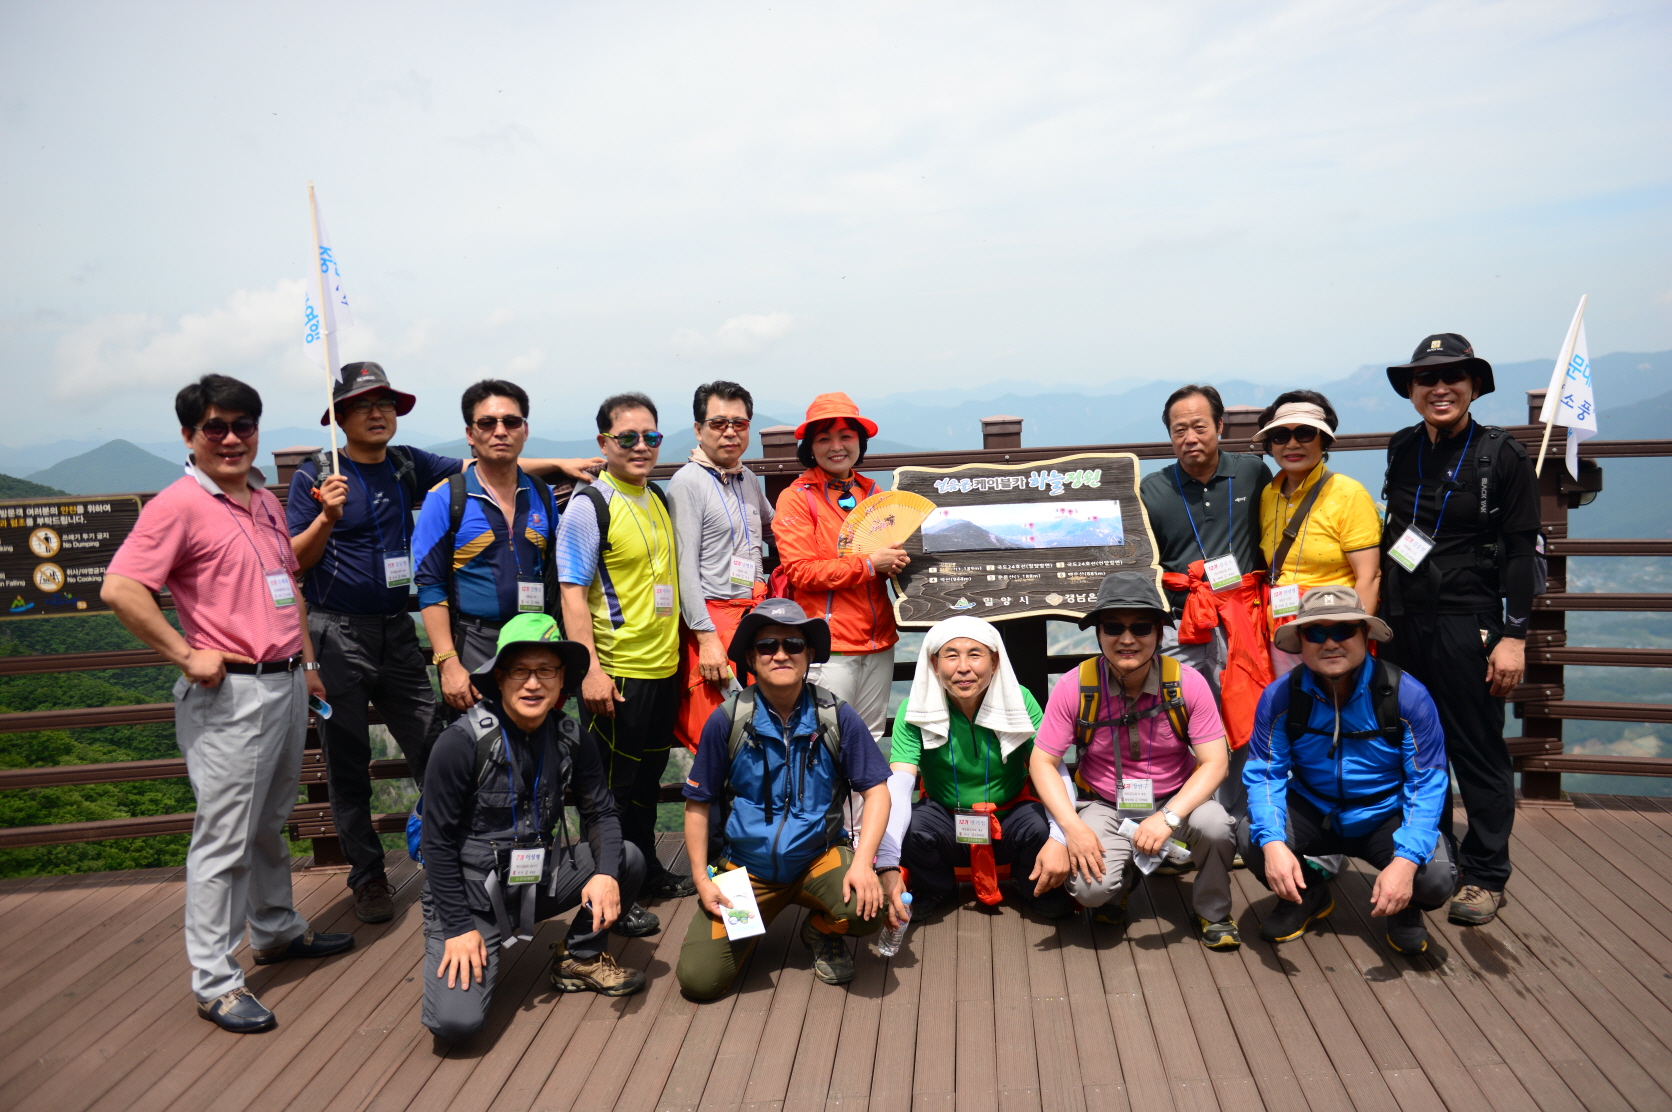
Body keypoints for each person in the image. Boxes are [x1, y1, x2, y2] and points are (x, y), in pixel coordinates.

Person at [287, 362, 599, 923]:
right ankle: (368, 875)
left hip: (397, 630)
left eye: (384, 404)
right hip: (335, 631)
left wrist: (558, 465)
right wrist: (327, 516)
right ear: (339, 418)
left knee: (439, 750)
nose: (377, 414)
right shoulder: (316, 474)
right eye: (362, 405)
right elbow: (291, 562)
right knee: (348, 760)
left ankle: (459, 859)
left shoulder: (407, 464)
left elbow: (487, 462)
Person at [101, 374, 353, 1034]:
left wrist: (325, 523)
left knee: (268, 820)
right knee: (224, 838)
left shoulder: (262, 499)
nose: (232, 438)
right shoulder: (178, 505)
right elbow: (120, 588)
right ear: (190, 435)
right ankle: (214, 981)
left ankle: (276, 930)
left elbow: (287, 571)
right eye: (216, 427)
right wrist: (185, 654)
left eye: (244, 425)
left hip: (285, 678)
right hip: (231, 692)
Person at [419, 613, 648, 1043]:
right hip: (472, 898)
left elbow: (601, 813)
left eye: (546, 671)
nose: (533, 683)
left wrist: (604, 874)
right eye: (520, 671)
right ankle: (470, 938)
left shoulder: (569, 737)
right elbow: (436, 844)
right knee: (455, 1025)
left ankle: (579, 956)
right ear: (499, 678)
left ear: (562, 680)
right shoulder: (461, 743)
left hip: (535, 881)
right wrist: (458, 928)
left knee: (627, 859)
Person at [1381, 333, 1539, 926]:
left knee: (1475, 747)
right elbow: (1395, 532)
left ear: (1474, 386)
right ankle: (1436, 852)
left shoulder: (1502, 454)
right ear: (1412, 390)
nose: (1440, 387)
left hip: (1468, 620)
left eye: (1454, 376)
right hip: (1404, 620)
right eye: (1427, 378)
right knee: (1415, 747)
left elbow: (1522, 552)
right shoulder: (1402, 447)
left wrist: (1514, 636)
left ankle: (1487, 873)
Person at [675, 598, 893, 999]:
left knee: (867, 909)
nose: (780, 654)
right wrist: (702, 880)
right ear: (750, 659)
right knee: (700, 980)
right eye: (767, 646)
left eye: (793, 644)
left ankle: (820, 929)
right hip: (747, 870)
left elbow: (877, 790)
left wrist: (864, 863)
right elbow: (698, 803)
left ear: (809, 654)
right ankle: (752, 923)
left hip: (819, 857)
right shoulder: (728, 719)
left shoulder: (835, 715)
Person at [1239, 586, 1456, 954]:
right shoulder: (1280, 697)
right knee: (1252, 837)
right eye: (1315, 632)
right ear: (1301, 640)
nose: (1330, 643)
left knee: (1433, 878)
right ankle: (1308, 894)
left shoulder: (1407, 695)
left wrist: (1405, 863)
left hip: (1385, 814)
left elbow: (1427, 782)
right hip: (1314, 808)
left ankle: (1405, 906)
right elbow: (1265, 775)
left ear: (1365, 633)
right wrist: (1273, 844)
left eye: (1343, 630)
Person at [1029, 571, 1239, 949]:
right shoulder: (1075, 687)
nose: (1127, 640)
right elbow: (1041, 762)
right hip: (1105, 803)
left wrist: (1168, 816)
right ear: (1098, 634)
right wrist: (1070, 829)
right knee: (1090, 889)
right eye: (1113, 627)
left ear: (1159, 633)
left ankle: (1214, 910)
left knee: (1216, 825)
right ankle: (1122, 884)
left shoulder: (1186, 683)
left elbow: (1215, 762)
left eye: (1141, 627)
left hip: (1177, 800)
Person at [557, 392, 691, 932]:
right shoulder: (589, 506)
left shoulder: (655, 495)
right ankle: (610, 889)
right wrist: (588, 670)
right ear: (603, 443)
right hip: (616, 671)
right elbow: (572, 594)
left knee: (647, 780)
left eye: (650, 437)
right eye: (627, 437)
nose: (641, 446)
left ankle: (645, 869)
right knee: (609, 791)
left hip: (663, 667)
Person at [879, 615, 1071, 921]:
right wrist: (887, 858)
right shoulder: (914, 709)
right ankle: (935, 888)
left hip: (1009, 818)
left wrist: (1062, 836)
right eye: (951, 656)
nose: (963, 667)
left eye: (975, 654)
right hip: (947, 819)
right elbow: (900, 782)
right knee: (914, 828)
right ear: (934, 664)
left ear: (995, 662)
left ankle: (1032, 886)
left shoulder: (1019, 700)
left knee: (1038, 826)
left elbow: (1052, 768)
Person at [1140, 384, 1274, 820]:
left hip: (1242, 620)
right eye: (1179, 430)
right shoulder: (1153, 490)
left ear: (1220, 425)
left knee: (1244, 715)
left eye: (1199, 426)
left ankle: (1239, 818)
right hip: (1182, 623)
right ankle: (1189, 819)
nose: (1190, 438)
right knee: (1175, 720)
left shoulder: (1252, 473)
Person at [413, 379, 569, 703]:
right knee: (481, 730)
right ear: (470, 434)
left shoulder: (541, 494)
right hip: (475, 640)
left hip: (536, 637)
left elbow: (556, 572)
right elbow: (430, 586)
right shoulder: (447, 498)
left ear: (525, 430)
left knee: (537, 727)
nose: (500, 431)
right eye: (487, 423)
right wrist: (448, 663)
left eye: (511, 422)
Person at [772, 392, 907, 750]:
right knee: (825, 744)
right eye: (824, 438)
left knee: (869, 741)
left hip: (879, 641)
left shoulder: (873, 492)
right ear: (809, 447)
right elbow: (801, 572)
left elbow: (889, 556)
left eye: (846, 436)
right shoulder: (796, 498)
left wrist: (895, 562)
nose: (836, 446)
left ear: (859, 442)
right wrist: (869, 564)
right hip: (830, 646)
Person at [668, 381, 773, 753]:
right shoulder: (687, 484)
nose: (730, 432)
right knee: (719, 737)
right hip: (712, 622)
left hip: (751, 619)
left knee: (757, 734)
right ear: (699, 430)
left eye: (739, 423)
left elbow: (773, 528)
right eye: (718, 423)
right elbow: (683, 569)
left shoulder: (747, 478)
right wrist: (706, 639)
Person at [1253, 391, 1381, 676]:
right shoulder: (1268, 495)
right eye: (1280, 436)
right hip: (1283, 628)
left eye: (1305, 433)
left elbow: (1369, 576)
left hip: (1332, 632)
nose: (1292, 444)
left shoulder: (1348, 493)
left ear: (1324, 440)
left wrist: (1353, 636)